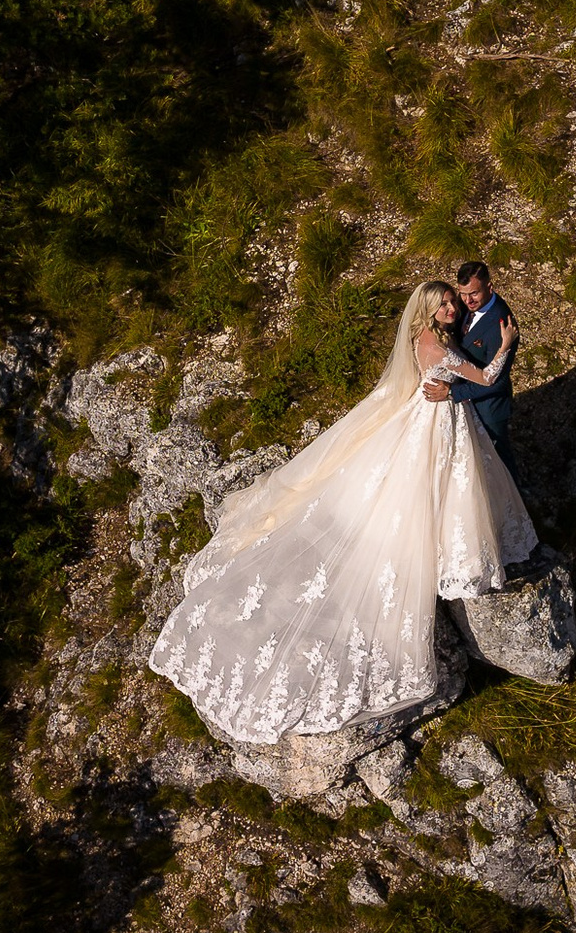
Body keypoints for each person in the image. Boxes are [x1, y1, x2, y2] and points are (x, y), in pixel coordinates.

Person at [149, 279, 536, 745]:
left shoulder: (425, 338)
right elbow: (488, 377)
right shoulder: (438, 346)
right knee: (432, 487)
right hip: (437, 421)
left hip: (428, 415)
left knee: (434, 483)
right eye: (445, 303)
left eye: (453, 300)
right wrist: (507, 345)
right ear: (429, 311)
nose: (453, 307)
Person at [421, 260, 518, 486]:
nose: (467, 301)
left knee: (498, 461)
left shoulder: (501, 325)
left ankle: (515, 504)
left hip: (488, 406)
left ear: (490, 287)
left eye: (473, 293)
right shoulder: (461, 307)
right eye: (462, 294)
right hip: (458, 405)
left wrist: (453, 392)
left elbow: (498, 382)